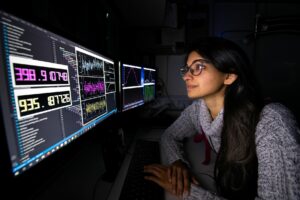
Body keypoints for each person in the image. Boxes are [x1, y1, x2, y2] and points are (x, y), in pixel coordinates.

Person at [144, 37, 300, 199]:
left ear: (229, 76)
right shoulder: (199, 110)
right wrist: (178, 162)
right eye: (187, 69)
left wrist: (189, 192)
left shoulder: (272, 122)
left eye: (199, 67)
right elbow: (169, 135)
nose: (186, 77)